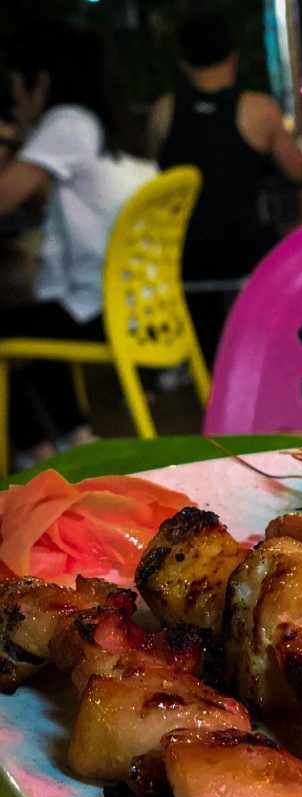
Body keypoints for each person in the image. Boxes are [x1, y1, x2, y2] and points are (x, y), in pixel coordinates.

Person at [0, 20, 156, 470]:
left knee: (19, 321)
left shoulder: (68, 121)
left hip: (96, 309)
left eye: (18, 90)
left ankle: (35, 457)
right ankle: (74, 439)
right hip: (138, 309)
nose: (20, 105)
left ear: (41, 81)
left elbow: (6, 193)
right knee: (32, 317)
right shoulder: (121, 130)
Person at [147, 12, 302, 362]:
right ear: (233, 57)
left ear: (184, 64)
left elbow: (152, 177)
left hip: (183, 255)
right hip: (243, 249)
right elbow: (297, 171)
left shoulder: (163, 111)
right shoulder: (260, 110)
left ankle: (201, 358)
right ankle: (270, 347)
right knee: (291, 230)